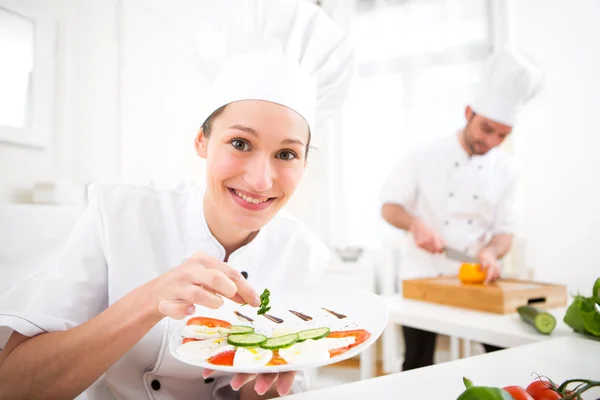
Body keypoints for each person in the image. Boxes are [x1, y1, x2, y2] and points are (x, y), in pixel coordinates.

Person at [0, 1, 354, 399]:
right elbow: (12, 384)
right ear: (202, 142)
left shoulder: (302, 254)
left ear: (306, 163)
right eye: (240, 143)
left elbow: (258, 392)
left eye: (286, 154)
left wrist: (264, 380)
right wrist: (151, 299)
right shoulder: (117, 214)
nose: (260, 179)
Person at [379, 48, 544, 371]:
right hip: (422, 276)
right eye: (487, 129)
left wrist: (492, 253)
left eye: (502, 135)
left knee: (502, 358)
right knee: (417, 362)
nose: (493, 141)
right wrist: (415, 224)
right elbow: (388, 208)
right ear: (468, 112)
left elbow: (504, 232)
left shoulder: (507, 169)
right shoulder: (424, 156)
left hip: (475, 278)